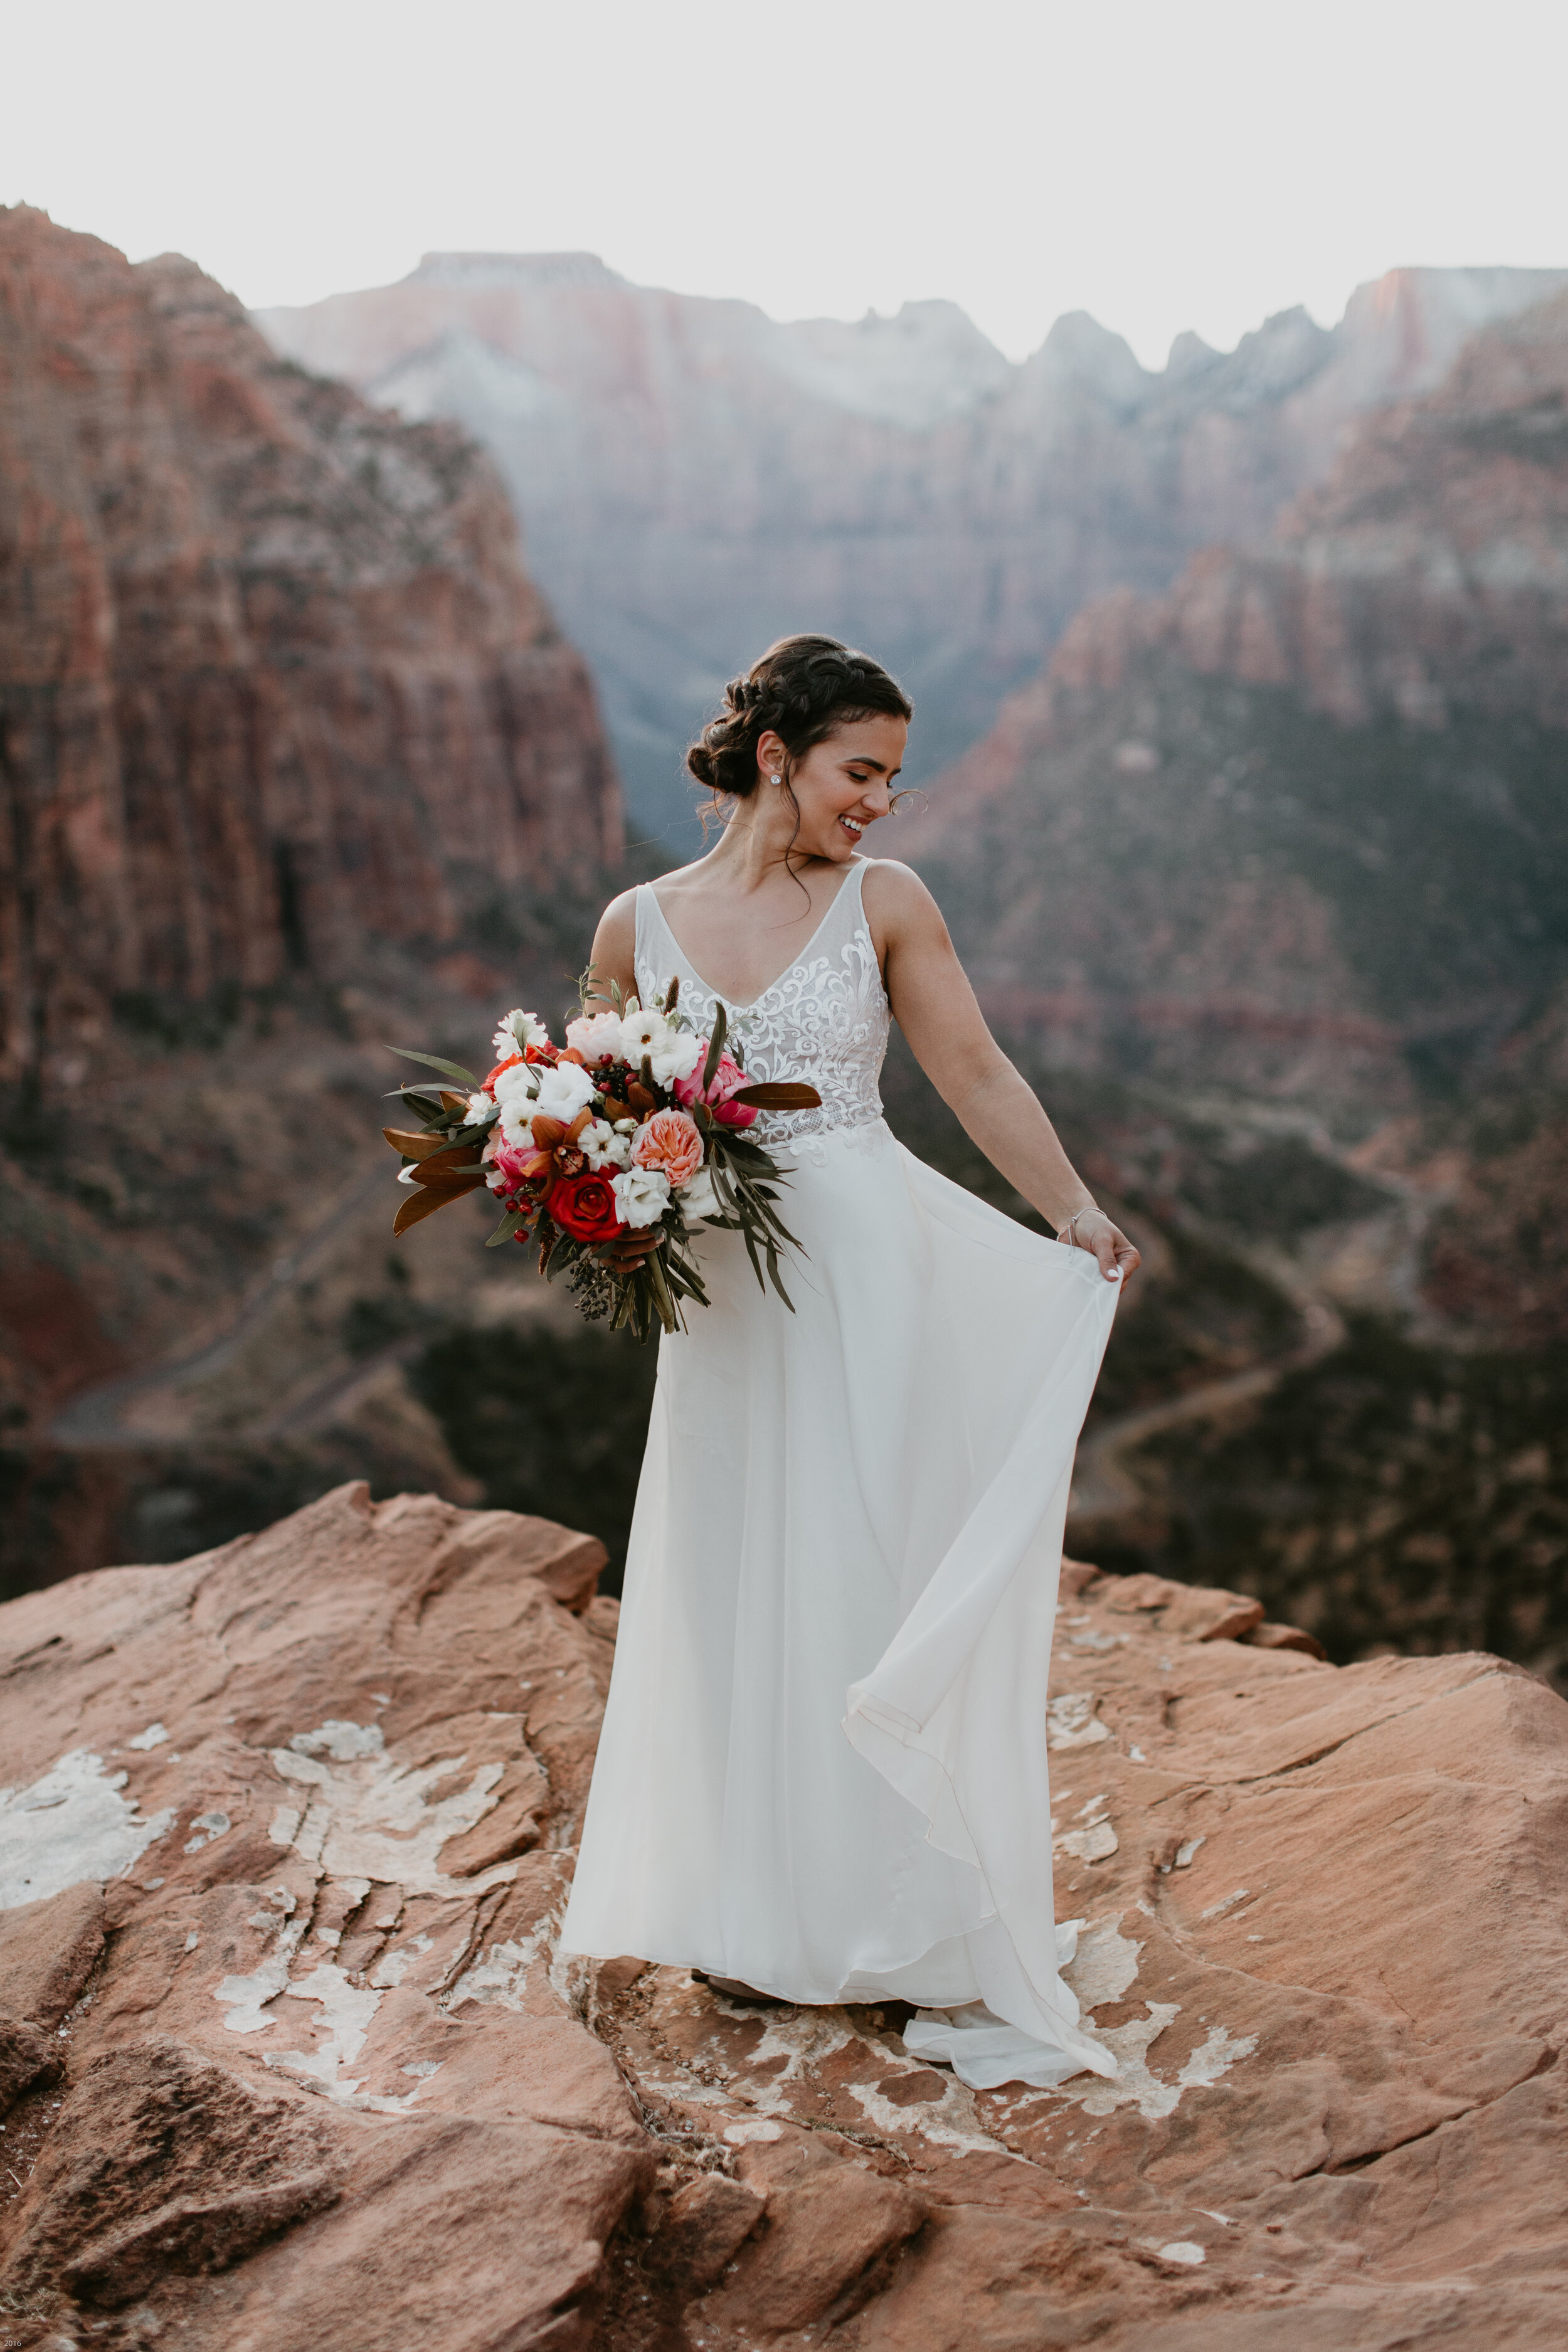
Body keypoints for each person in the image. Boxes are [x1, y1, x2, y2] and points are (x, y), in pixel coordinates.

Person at [558, 635, 1141, 2090]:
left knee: (858, 1566)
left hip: (871, 1279)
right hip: (723, 1301)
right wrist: (586, 1183)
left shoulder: (885, 900)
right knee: (728, 1574)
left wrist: (1068, 1208)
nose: (880, 800)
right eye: (858, 771)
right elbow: (588, 1106)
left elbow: (973, 1069)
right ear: (778, 757)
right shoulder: (638, 923)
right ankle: (750, 1907)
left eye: (891, 776)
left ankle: (901, 1917)